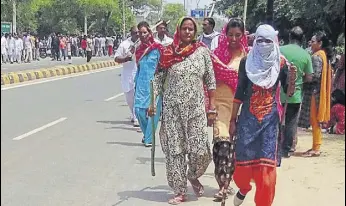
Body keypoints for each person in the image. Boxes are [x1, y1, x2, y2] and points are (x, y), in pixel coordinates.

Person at [149, 17, 216, 205]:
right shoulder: (168, 53)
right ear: (179, 30)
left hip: (195, 110)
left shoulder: (202, 52)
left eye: (191, 29)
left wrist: (212, 106)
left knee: (201, 150)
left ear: (195, 32)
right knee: (175, 151)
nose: (187, 32)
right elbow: (157, 81)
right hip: (172, 110)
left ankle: (193, 175)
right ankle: (179, 190)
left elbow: (210, 81)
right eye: (184, 28)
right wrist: (152, 103)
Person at [230, 24, 293, 206]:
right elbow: (239, 93)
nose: (264, 44)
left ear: (274, 41)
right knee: (241, 169)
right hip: (247, 122)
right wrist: (233, 120)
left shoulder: (281, 63)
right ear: (255, 40)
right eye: (260, 40)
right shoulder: (246, 62)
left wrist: (292, 79)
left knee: (266, 173)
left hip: (269, 123)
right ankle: (244, 188)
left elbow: (288, 92)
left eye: (268, 40)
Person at [210, 18, 249, 200]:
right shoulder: (217, 54)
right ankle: (222, 184)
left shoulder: (248, 56)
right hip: (220, 103)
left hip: (240, 105)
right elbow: (208, 79)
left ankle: (228, 182)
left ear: (243, 35)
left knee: (233, 147)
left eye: (237, 35)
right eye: (230, 35)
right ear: (225, 34)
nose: (233, 38)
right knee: (221, 144)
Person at [280, 26, 313, 158]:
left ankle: (274, 146)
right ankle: (286, 149)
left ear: (290, 37)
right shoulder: (305, 54)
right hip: (295, 94)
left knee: (276, 120)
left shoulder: (280, 50)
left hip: (278, 93)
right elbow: (310, 77)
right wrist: (299, 79)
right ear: (302, 39)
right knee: (291, 122)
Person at [299, 31, 333, 157]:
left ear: (320, 43)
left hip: (315, 93)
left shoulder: (317, 56)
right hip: (319, 92)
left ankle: (316, 147)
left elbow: (315, 75)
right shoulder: (324, 55)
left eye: (313, 41)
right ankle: (315, 146)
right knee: (315, 120)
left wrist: (304, 76)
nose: (311, 43)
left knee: (315, 120)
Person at [134, 21, 163, 147]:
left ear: (150, 33)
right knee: (139, 111)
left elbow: (163, 67)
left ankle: (149, 138)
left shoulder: (158, 48)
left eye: (144, 32)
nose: (142, 35)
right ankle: (147, 134)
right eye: (140, 33)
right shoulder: (138, 49)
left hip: (155, 84)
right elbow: (138, 67)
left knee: (153, 113)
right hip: (141, 84)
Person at [114, 27, 140, 128]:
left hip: (141, 73)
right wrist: (126, 58)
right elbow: (116, 58)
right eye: (135, 33)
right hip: (128, 75)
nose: (137, 35)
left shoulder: (144, 43)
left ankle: (137, 116)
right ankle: (133, 114)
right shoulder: (124, 44)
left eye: (139, 33)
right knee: (130, 99)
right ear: (131, 34)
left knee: (138, 96)